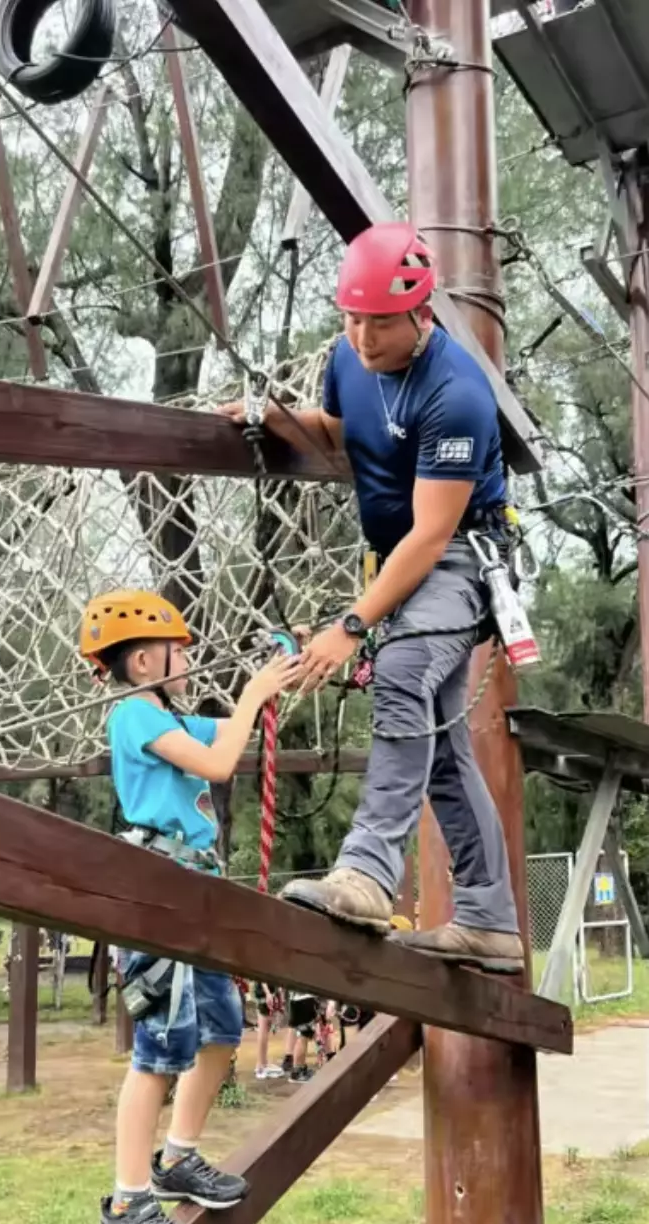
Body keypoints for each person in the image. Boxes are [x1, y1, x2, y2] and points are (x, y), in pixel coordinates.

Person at [220, 221, 523, 975]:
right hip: (400, 559)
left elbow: (431, 535)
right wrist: (273, 418)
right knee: (443, 747)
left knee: (399, 677)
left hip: (456, 561)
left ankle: (366, 874)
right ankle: (491, 921)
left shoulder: (457, 393)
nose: (360, 336)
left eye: (377, 322)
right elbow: (343, 429)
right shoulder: (346, 359)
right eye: (349, 317)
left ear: (420, 312)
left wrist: (350, 626)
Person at [79, 588, 301, 1224]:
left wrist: (278, 680)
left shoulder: (170, 717)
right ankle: (127, 1201)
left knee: (221, 1029)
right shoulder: (131, 716)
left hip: (193, 887)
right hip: (157, 886)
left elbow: (236, 730)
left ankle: (177, 1156)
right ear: (146, 659)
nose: (190, 662)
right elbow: (217, 762)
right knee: (159, 1047)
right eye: (180, 651)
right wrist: (255, 688)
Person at [252, 981, 284, 1079]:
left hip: (267, 992)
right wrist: (268, 993)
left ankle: (262, 1063)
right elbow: (262, 976)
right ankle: (261, 1066)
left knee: (265, 1028)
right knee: (263, 1028)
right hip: (265, 993)